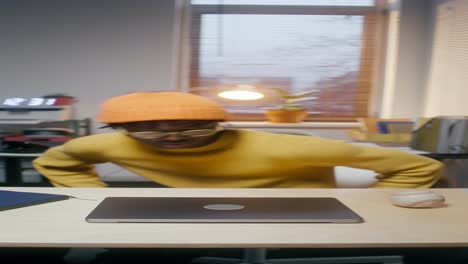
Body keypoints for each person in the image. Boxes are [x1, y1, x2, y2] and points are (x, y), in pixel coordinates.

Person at [33, 91, 442, 189]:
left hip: (300, 223)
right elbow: (54, 161)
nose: (172, 136)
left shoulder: (291, 145)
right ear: (121, 131)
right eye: (150, 128)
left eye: (190, 127)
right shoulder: (104, 146)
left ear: (220, 125)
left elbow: (421, 165)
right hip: (189, 218)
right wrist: (96, 196)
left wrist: (366, 209)